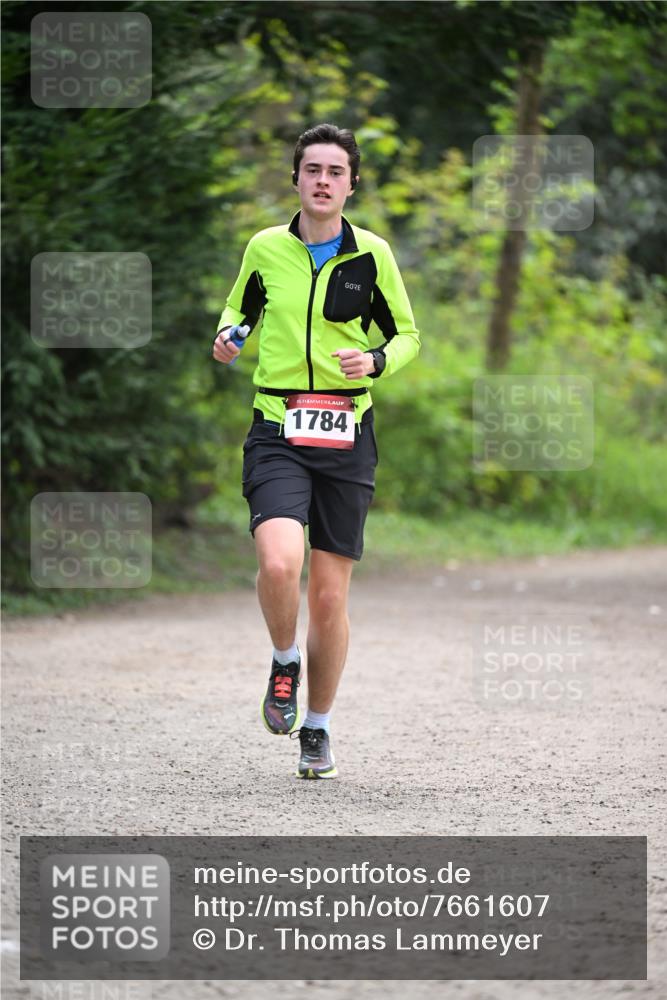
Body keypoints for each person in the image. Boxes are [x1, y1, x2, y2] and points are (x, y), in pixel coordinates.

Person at [213, 123, 419, 779]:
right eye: (312, 169)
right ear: (296, 179)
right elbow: (238, 309)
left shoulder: (373, 256)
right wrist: (229, 336)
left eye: (335, 171)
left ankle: (318, 729)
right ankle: (282, 661)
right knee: (279, 564)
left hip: (345, 435)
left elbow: (407, 334)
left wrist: (377, 359)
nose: (323, 180)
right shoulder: (265, 248)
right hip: (277, 425)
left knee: (329, 599)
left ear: (351, 183)